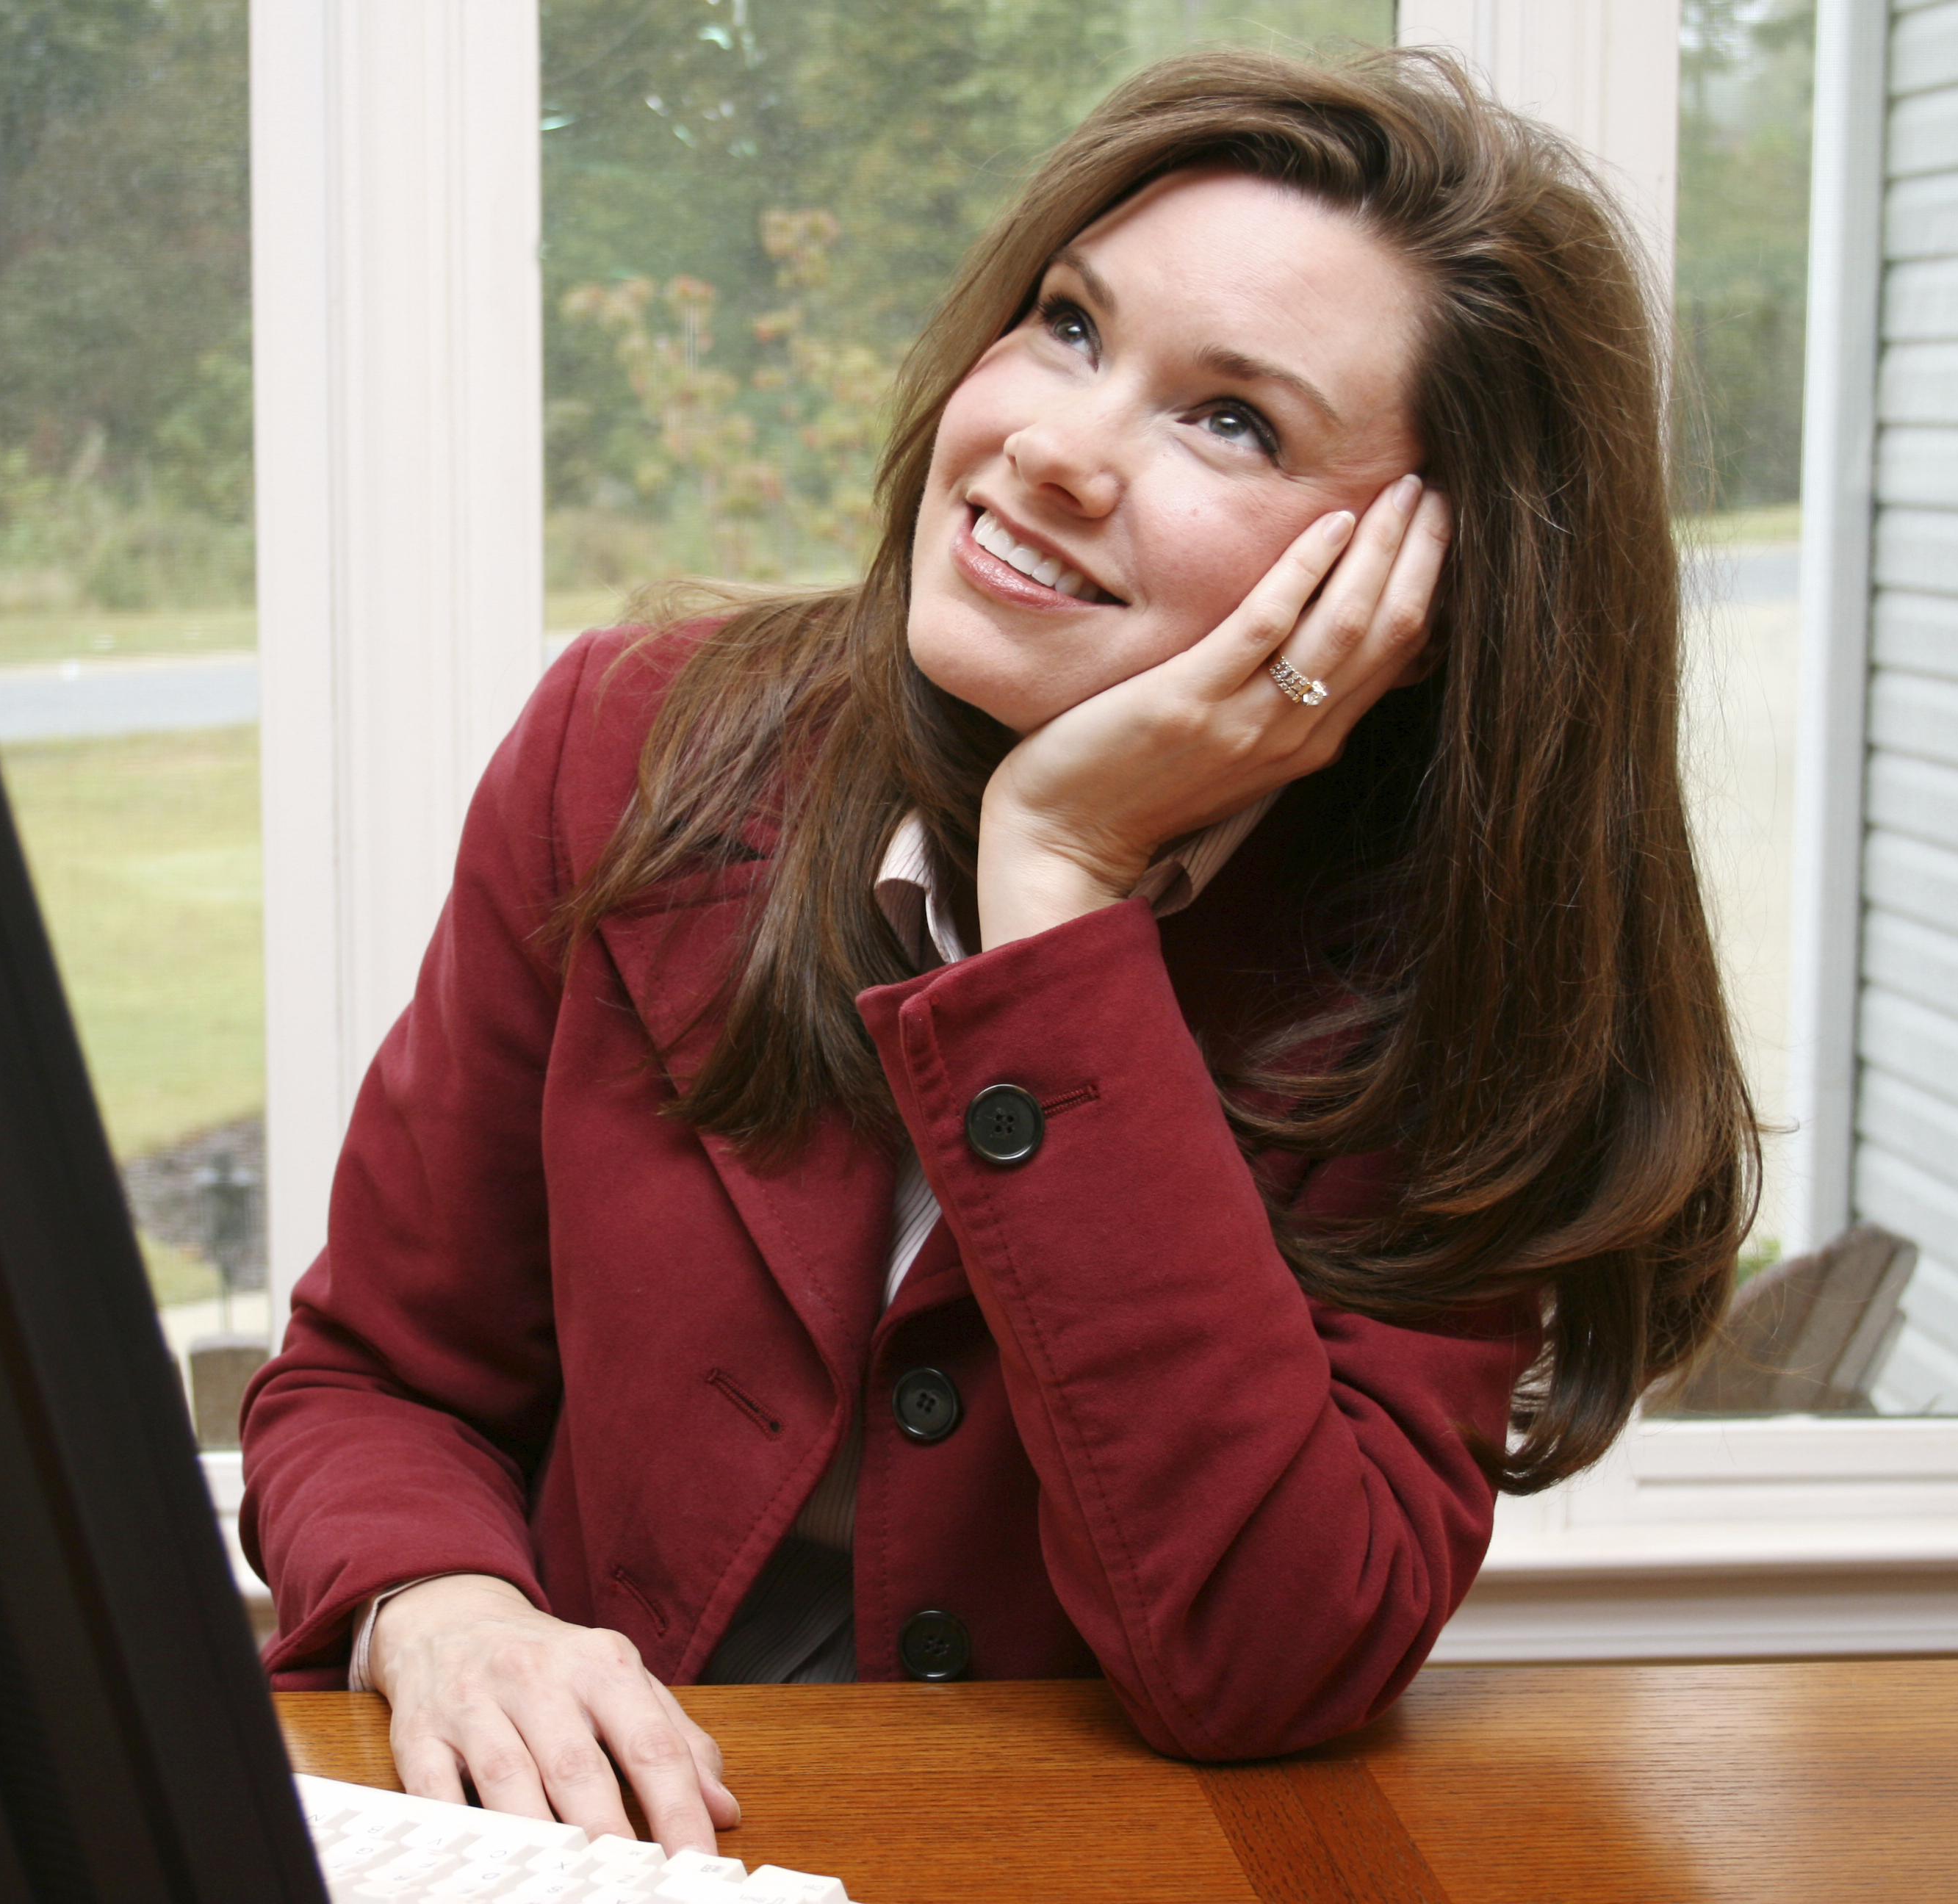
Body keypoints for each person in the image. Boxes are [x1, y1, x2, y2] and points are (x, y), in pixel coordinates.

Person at [239, 44, 1752, 1856]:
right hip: (585, 1854)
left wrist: (1064, 884)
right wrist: (447, 1611)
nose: (1051, 448)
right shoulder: (627, 748)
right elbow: (372, 1382)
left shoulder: (1442, 974)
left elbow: (1268, 1653)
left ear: (1411, 598)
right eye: (1066, 325)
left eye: (1231, 420)